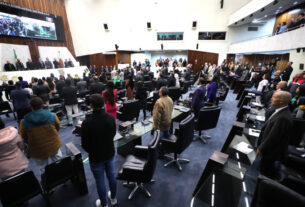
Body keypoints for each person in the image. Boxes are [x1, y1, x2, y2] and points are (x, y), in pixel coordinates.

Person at [81, 94, 117, 207]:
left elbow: (85, 144)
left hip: (96, 157)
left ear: (91, 106)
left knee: (99, 180)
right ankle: (114, 198)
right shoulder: (111, 117)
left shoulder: (87, 123)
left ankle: (104, 204)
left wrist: (93, 150)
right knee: (112, 176)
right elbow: (113, 134)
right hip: (110, 152)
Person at [256, 91, 293, 178]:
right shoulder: (280, 111)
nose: (271, 99)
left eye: (274, 97)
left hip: (271, 153)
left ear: (281, 101)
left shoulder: (283, 117)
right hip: (269, 150)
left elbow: (273, 137)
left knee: (265, 174)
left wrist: (261, 148)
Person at [20, 97, 62, 170]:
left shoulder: (23, 122)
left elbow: (23, 136)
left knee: (43, 168)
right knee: (59, 163)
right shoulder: (52, 115)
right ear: (42, 105)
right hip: (54, 144)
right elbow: (58, 127)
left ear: (30, 107)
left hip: (37, 149)